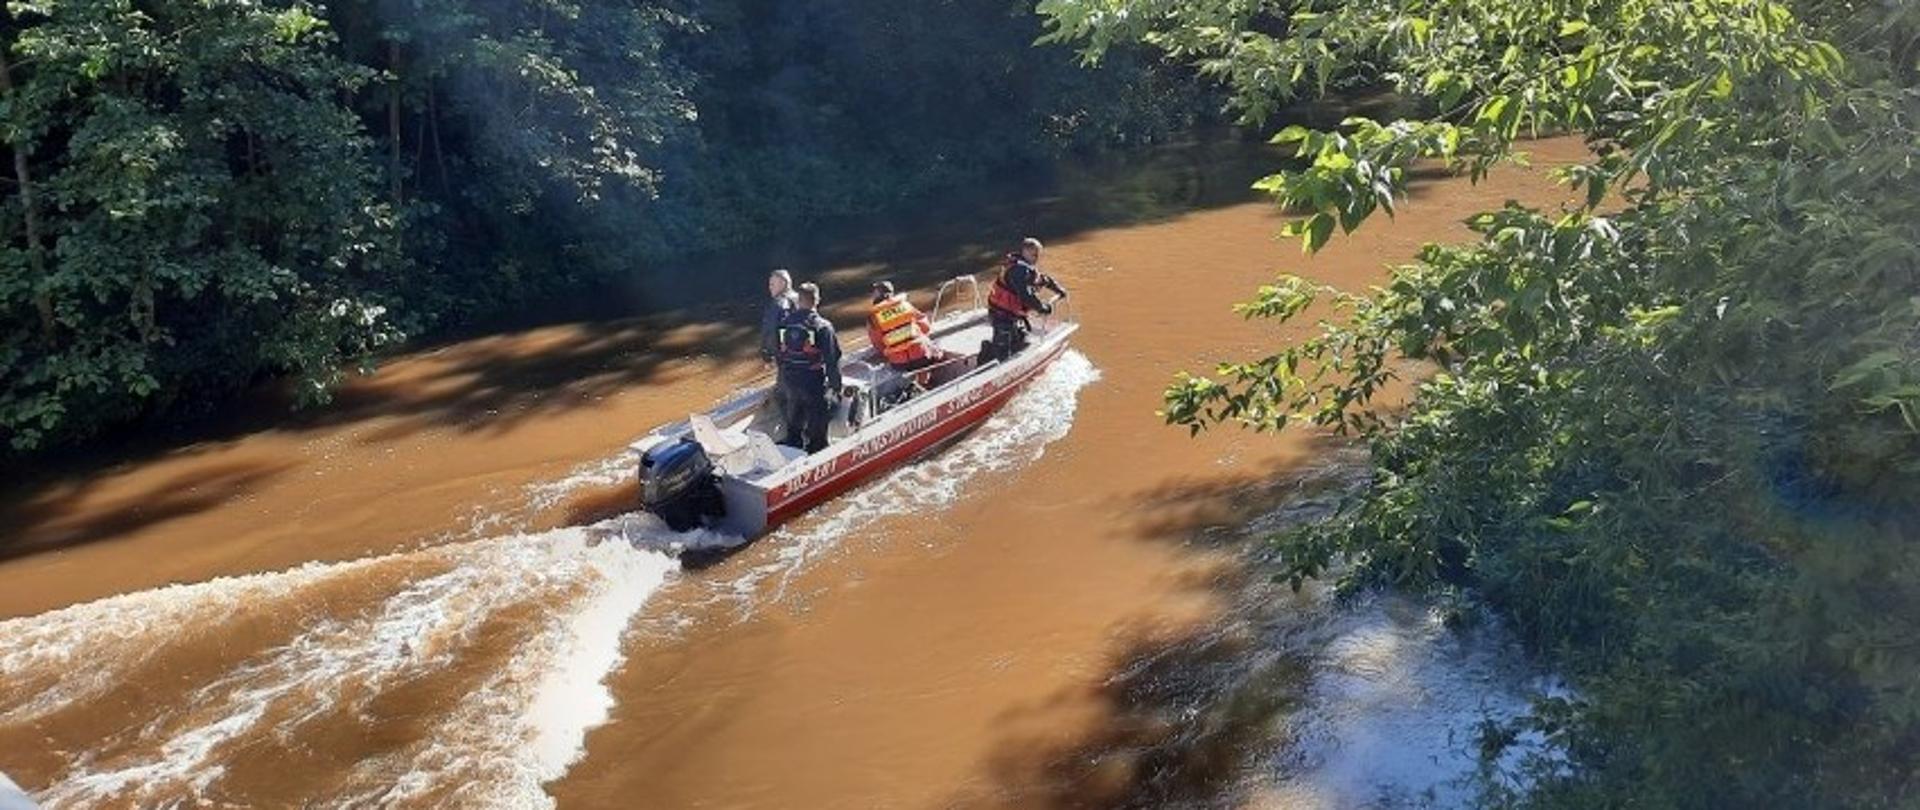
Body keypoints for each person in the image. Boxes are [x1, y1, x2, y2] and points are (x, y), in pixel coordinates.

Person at [774, 282, 843, 453]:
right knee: (818, 414)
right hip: (811, 380)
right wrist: (836, 386)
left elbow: (778, 352)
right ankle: (817, 449)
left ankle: (793, 444)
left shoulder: (785, 323)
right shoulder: (822, 326)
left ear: (798, 300)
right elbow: (832, 359)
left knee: (794, 410)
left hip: (789, 379)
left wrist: (782, 380)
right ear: (817, 300)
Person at [985, 237, 1067, 362]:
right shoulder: (1018, 271)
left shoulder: (1027, 269)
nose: (1036, 257)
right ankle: (997, 365)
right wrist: (1042, 308)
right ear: (1024, 251)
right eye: (1033, 254)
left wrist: (1058, 289)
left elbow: (1043, 280)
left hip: (1012, 314)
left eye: (1037, 254)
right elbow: (1025, 295)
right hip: (1001, 314)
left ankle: (994, 350)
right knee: (1002, 348)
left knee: (1020, 338)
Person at [866, 280, 942, 373]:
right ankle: (924, 382)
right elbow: (926, 327)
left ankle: (914, 383)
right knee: (933, 353)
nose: (873, 295)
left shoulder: (873, 317)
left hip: (898, 363)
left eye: (874, 292)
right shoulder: (905, 305)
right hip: (921, 354)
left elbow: (878, 344)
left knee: (906, 366)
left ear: (878, 295)